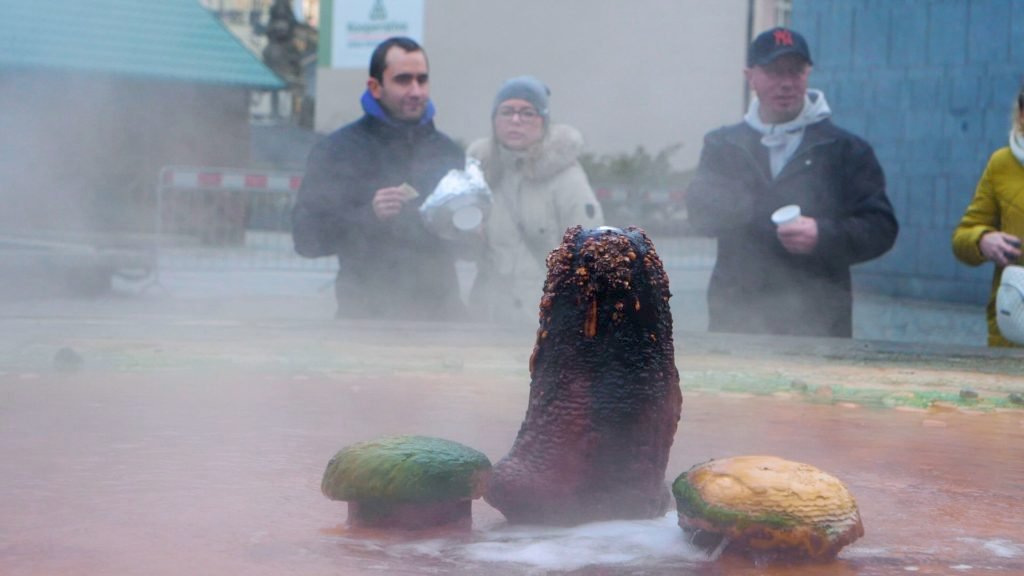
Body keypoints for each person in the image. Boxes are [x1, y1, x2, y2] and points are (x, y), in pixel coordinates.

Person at [686, 27, 898, 338]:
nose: (786, 83)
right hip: (737, 319)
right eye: (773, 71)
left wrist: (823, 235)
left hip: (819, 322)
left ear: (808, 73)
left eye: (795, 71)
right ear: (751, 76)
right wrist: (750, 207)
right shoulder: (724, 146)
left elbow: (881, 228)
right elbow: (700, 217)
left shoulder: (845, 149)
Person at [291, 36, 465, 320]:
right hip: (365, 319)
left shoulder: (448, 151)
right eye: (403, 80)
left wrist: (473, 229)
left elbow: (467, 251)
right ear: (375, 87)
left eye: (422, 80)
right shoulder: (338, 150)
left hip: (440, 321)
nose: (416, 90)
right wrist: (368, 215)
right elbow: (306, 239)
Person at [466, 76, 604, 323]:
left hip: (546, 325)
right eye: (507, 112)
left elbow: (590, 257)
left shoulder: (567, 179)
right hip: (487, 323)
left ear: (544, 122)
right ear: (494, 120)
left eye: (527, 113)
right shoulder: (480, 175)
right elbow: (463, 251)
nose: (516, 120)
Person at [951, 86, 1024, 347]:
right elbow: (961, 239)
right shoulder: (1002, 164)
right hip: (1014, 328)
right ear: (1021, 116)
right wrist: (983, 240)